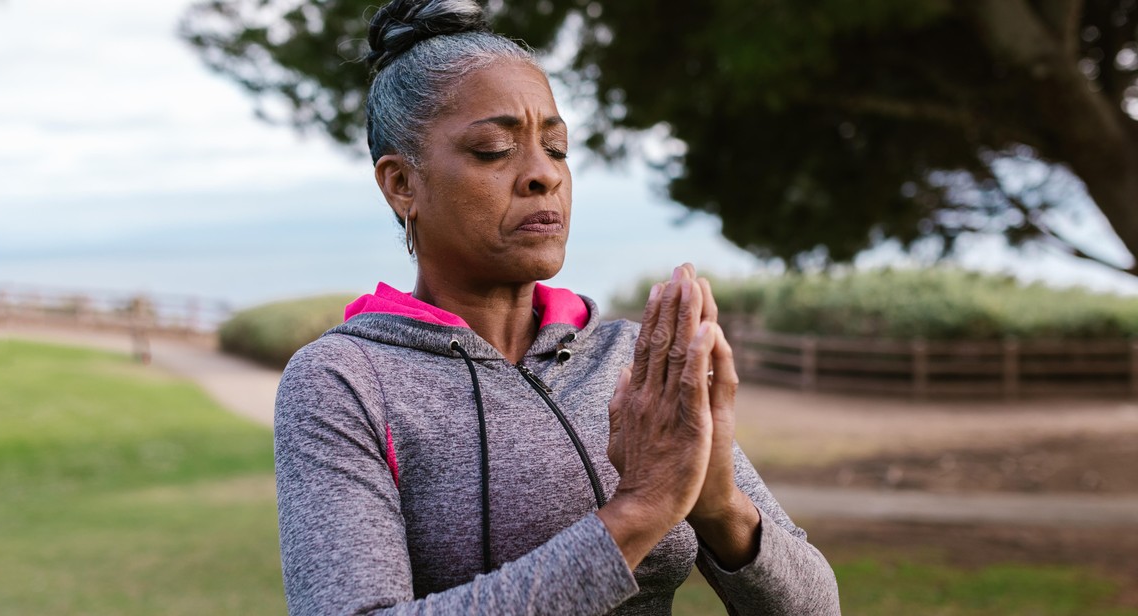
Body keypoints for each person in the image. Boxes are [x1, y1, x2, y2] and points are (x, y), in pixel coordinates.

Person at [273, 0, 841, 613]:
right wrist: (637, 515)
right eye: (494, 149)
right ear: (401, 184)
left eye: (557, 147)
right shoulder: (344, 382)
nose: (543, 175)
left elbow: (816, 608)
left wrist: (720, 505)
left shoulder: (631, 363)